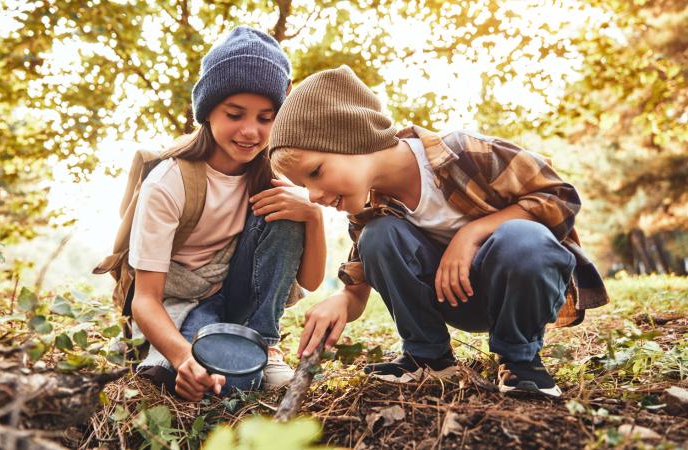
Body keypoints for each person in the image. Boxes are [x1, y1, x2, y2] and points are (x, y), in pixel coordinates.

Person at [267, 65, 609, 397]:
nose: (312, 195)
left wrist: (471, 233)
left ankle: (520, 361)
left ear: (353, 138)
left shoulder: (466, 153)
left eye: (315, 172)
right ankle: (429, 357)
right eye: (302, 185)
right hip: (454, 300)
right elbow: (358, 288)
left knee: (524, 238)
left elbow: (559, 197)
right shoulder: (369, 211)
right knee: (379, 235)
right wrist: (341, 301)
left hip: (518, 287)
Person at [128, 27, 326, 401]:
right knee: (217, 384)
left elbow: (312, 281)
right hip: (184, 301)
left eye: (266, 118)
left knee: (287, 209)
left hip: (238, 292)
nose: (250, 131)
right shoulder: (169, 183)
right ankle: (194, 348)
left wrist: (312, 214)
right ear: (208, 111)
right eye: (235, 114)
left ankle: (264, 343)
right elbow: (145, 298)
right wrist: (184, 358)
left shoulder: (272, 177)